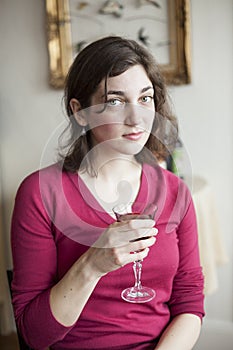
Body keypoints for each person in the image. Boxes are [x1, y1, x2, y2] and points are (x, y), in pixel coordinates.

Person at [11, 36, 204, 350]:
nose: (137, 117)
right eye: (115, 100)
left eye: (145, 98)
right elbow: (34, 335)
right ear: (80, 112)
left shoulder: (175, 191)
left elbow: (189, 303)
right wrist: (93, 265)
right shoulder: (40, 193)